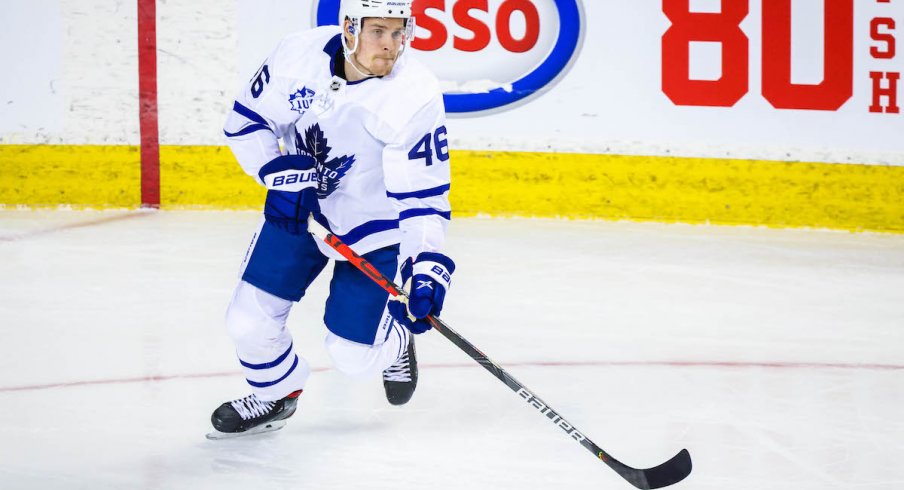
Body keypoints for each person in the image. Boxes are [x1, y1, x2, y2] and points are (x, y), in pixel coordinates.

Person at [208, 0, 454, 438]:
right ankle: (275, 394)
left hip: (375, 229)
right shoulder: (295, 56)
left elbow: (423, 198)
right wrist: (278, 175)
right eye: (379, 31)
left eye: (400, 33)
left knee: (352, 356)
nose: (391, 46)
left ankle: (396, 341)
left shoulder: (413, 92)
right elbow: (246, 123)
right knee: (247, 321)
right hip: (303, 212)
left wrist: (427, 265)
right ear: (349, 27)